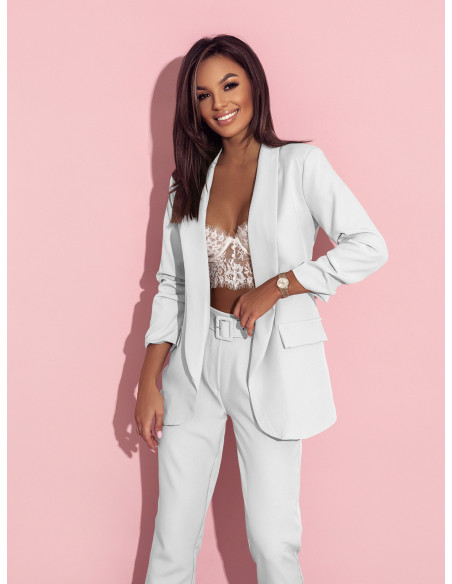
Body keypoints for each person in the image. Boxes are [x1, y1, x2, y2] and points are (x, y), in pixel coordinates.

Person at [136, 34, 388, 584]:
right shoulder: (187, 182)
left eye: (230, 85)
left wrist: (282, 284)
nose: (219, 103)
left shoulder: (300, 164)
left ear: (254, 84)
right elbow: (171, 284)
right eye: (203, 95)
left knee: (273, 543)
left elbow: (369, 245)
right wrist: (148, 380)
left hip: (270, 359)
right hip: (195, 364)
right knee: (171, 540)